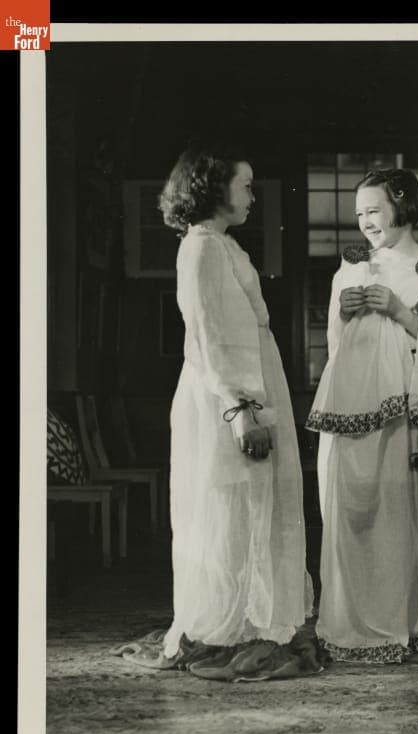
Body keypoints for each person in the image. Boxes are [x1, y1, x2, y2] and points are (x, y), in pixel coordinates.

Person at [113, 142, 321, 681]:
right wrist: (241, 411)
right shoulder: (201, 248)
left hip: (252, 389)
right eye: (245, 185)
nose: (253, 195)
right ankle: (227, 629)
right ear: (212, 189)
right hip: (227, 400)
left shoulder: (224, 247)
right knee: (229, 512)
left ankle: (252, 623)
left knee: (253, 509)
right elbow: (208, 338)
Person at [306, 169, 418, 664]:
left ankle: (407, 623)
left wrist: (397, 309)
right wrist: (344, 312)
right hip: (353, 404)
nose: (365, 222)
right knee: (353, 510)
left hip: (403, 408)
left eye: (374, 210)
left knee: (400, 511)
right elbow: (335, 346)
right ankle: (351, 626)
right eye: (359, 214)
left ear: (403, 206)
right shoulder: (350, 268)